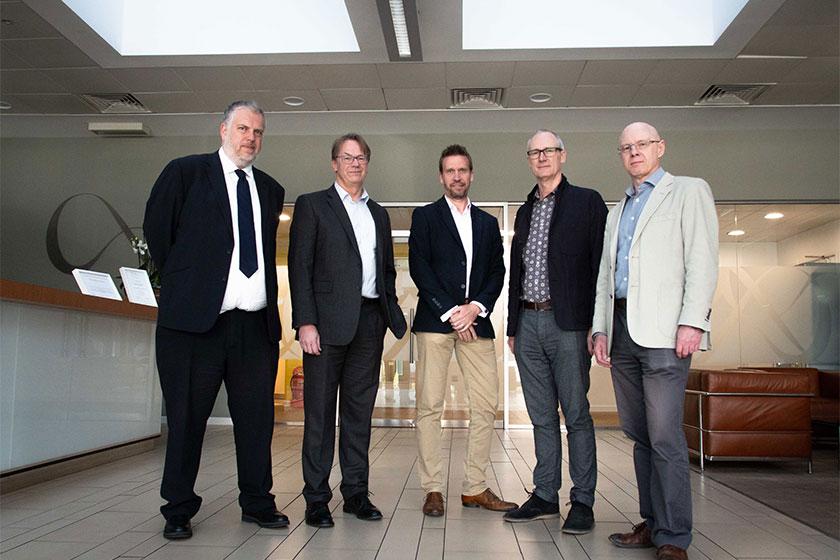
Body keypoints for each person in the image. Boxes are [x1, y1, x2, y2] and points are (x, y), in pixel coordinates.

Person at [143, 100, 288, 540]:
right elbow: (159, 235)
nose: (250, 138)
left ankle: (257, 502)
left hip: (253, 327)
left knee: (256, 420)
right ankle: (178, 508)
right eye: (243, 128)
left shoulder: (269, 189)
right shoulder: (185, 173)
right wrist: (192, 289)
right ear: (223, 129)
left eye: (258, 132)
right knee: (187, 419)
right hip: (194, 327)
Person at [592, 122, 719, 560]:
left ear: (660, 147)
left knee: (665, 436)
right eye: (625, 147)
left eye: (642, 144)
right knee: (640, 434)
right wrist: (600, 328)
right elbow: (606, 278)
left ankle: (674, 536)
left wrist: (693, 321)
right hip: (623, 331)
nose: (634, 152)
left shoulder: (687, 191)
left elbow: (702, 260)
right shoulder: (617, 210)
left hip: (667, 333)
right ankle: (652, 522)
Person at [288, 133, 407, 528]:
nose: (355, 163)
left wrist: (388, 310)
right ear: (334, 164)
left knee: (359, 414)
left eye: (361, 158)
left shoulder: (379, 214)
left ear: (367, 164)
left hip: (369, 324)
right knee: (320, 416)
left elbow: (385, 268)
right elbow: (300, 266)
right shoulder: (312, 206)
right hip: (323, 326)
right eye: (347, 157)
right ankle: (317, 500)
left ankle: (355, 494)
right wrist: (305, 321)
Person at [503, 130, 607, 533]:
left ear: (563, 155)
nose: (542, 157)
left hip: (570, 326)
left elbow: (600, 269)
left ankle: (582, 500)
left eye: (549, 150)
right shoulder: (526, 211)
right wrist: (513, 326)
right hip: (528, 325)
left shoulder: (586, 202)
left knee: (576, 414)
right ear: (529, 159)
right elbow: (518, 274)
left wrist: (597, 326)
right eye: (534, 152)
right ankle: (545, 494)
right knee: (541, 416)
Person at [409, 144, 515, 517]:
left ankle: (475, 488)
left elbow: (497, 273)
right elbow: (420, 269)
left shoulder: (487, 224)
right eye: (450, 171)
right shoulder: (424, 218)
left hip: (477, 322)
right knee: (429, 406)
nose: (457, 176)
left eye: (463, 170)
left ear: (471, 175)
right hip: (436, 323)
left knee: (485, 404)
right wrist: (454, 312)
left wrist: (475, 308)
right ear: (441, 177)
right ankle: (433, 489)